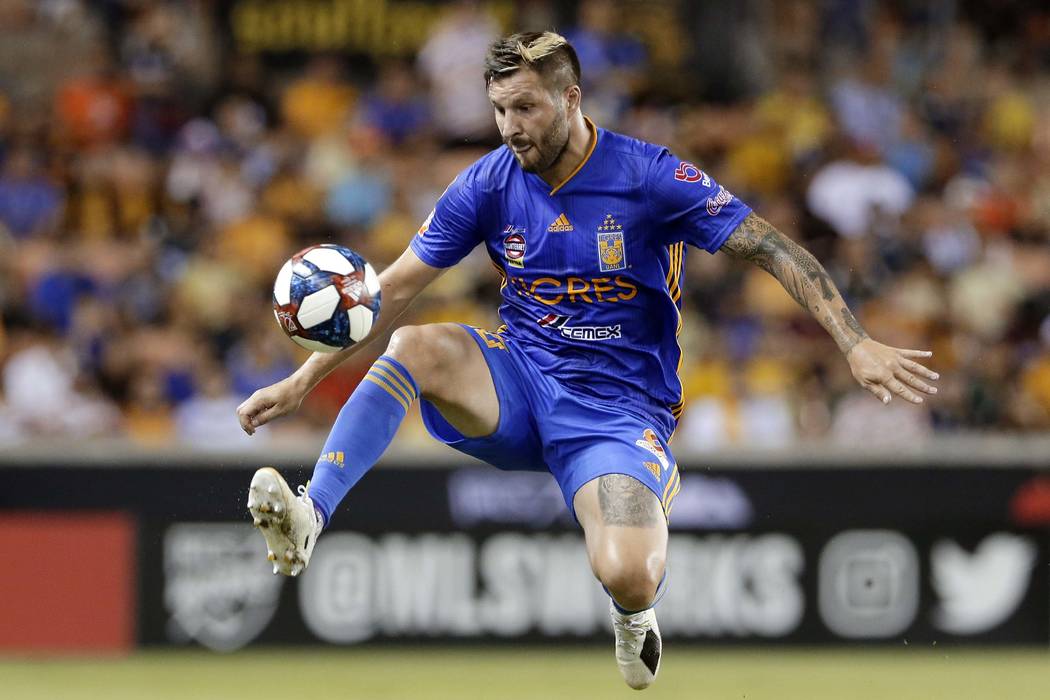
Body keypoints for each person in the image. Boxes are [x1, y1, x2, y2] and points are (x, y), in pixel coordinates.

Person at [237, 32, 939, 690]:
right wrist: (303, 380)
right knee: (416, 344)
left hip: (618, 412)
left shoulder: (651, 178)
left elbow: (773, 247)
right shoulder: (487, 183)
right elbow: (388, 291)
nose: (510, 126)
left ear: (571, 100)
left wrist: (855, 342)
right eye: (499, 110)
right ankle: (311, 515)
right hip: (520, 384)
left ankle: (633, 613)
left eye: (525, 108)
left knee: (627, 571)